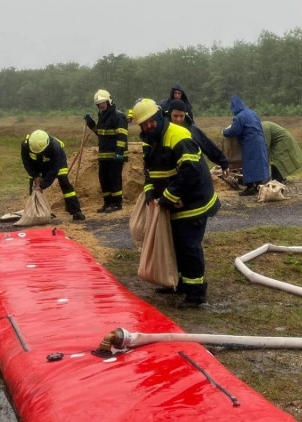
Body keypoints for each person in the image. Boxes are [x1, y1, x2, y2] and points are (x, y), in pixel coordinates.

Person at [134, 98, 220, 306]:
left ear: (159, 116)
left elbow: (190, 173)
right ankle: (179, 282)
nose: (149, 126)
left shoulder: (178, 136)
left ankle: (196, 292)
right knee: (176, 243)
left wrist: (168, 198)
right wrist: (149, 194)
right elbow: (150, 172)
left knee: (189, 245)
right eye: (144, 124)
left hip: (194, 201)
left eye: (151, 121)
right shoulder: (149, 140)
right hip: (175, 201)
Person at [20, 130, 86, 221]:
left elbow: (53, 170)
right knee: (33, 186)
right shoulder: (25, 145)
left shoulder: (55, 148)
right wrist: (35, 176)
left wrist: (43, 185)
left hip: (56, 162)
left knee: (64, 182)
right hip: (37, 163)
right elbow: (27, 162)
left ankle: (76, 211)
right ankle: (35, 212)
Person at [84, 89, 129, 213]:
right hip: (103, 155)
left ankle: (117, 203)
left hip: (115, 155)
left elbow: (122, 136)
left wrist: (119, 152)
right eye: (98, 104)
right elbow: (100, 133)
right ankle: (107, 203)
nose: (101, 105)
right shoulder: (102, 116)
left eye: (103, 102)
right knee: (104, 179)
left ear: (109, 101)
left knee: (115, 178)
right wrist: (90, 123)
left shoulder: (119, 116)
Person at [222, 95, 270, 196]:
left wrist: (225, 132)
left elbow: (235, 131)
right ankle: (258, 185)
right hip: (260, 140)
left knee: (249, 163)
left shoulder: (239, 117)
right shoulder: (252, 113)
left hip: (250, 142)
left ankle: (249, 187)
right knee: (259, 162)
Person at [166, 98, 230, 172]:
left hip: (189, 171)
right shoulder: (163, 129)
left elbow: (207, 145)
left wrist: (223, 162)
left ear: (185, 114)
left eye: (181, 116)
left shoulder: (192, 129)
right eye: (175, 116)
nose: (178, 119)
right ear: (169, 114)